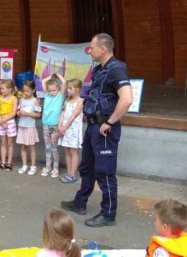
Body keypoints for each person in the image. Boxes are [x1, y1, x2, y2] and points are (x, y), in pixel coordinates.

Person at [61, 33, 133, 227]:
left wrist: (109, 122)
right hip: (93, 126)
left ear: (103, 49)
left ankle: (108, 214)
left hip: (105, 129)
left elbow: (126, 99)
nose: (89, 50)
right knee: (86, 167)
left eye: (92, 47)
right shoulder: (99, 70)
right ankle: (80, 203)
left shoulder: (117, 69)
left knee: (105, 172)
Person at [57, 79, 84, 184]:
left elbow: (73, 116)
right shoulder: (67, 100)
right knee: (67, 151)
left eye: (70, 88)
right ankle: (69, 172)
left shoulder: (80, 102)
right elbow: (63, 113)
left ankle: (73, 174)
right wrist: (60, 125)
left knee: (73, 151)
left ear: (77, 89)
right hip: (65, 128)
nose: (68, 90)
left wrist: (65, 127)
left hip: (72, 129)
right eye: (68, 88)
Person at [41, 73, 67, 178]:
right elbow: (43, 82)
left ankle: (55, 168)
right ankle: (48, 166)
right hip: (45, 124)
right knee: (47, 147)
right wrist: (50, 77)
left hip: (55, 125)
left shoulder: (60, 96)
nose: (52, 92)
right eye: (50, 90)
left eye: (54, 90)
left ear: (58, 89)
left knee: (54, 147)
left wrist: (58, 76)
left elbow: (64, 82)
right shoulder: (46, 95)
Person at [16, 80, 41, 175]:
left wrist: (28, 114)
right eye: (24, 91)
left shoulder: (35, 101)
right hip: (22, 125)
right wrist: (18, 113)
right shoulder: (21, 100)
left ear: (33, 90)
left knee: (32, 147)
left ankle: (33, 166)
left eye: (27, 91)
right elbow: (18, 111)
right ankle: (24, 165)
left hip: (30, 126)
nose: (25, 93)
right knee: (22, 146)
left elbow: (38, 115)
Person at [0, 80, 18, 172]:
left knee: (10, 143)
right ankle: (3, 162)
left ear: (10, 89)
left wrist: (4, 120)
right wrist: (1, 120)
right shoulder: (0, 98)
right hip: (1, 121)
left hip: (10, 121)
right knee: (3, 142)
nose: (1, 90)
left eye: (3, 88)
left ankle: (9, 163)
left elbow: (14, 113)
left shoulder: (14, 99)